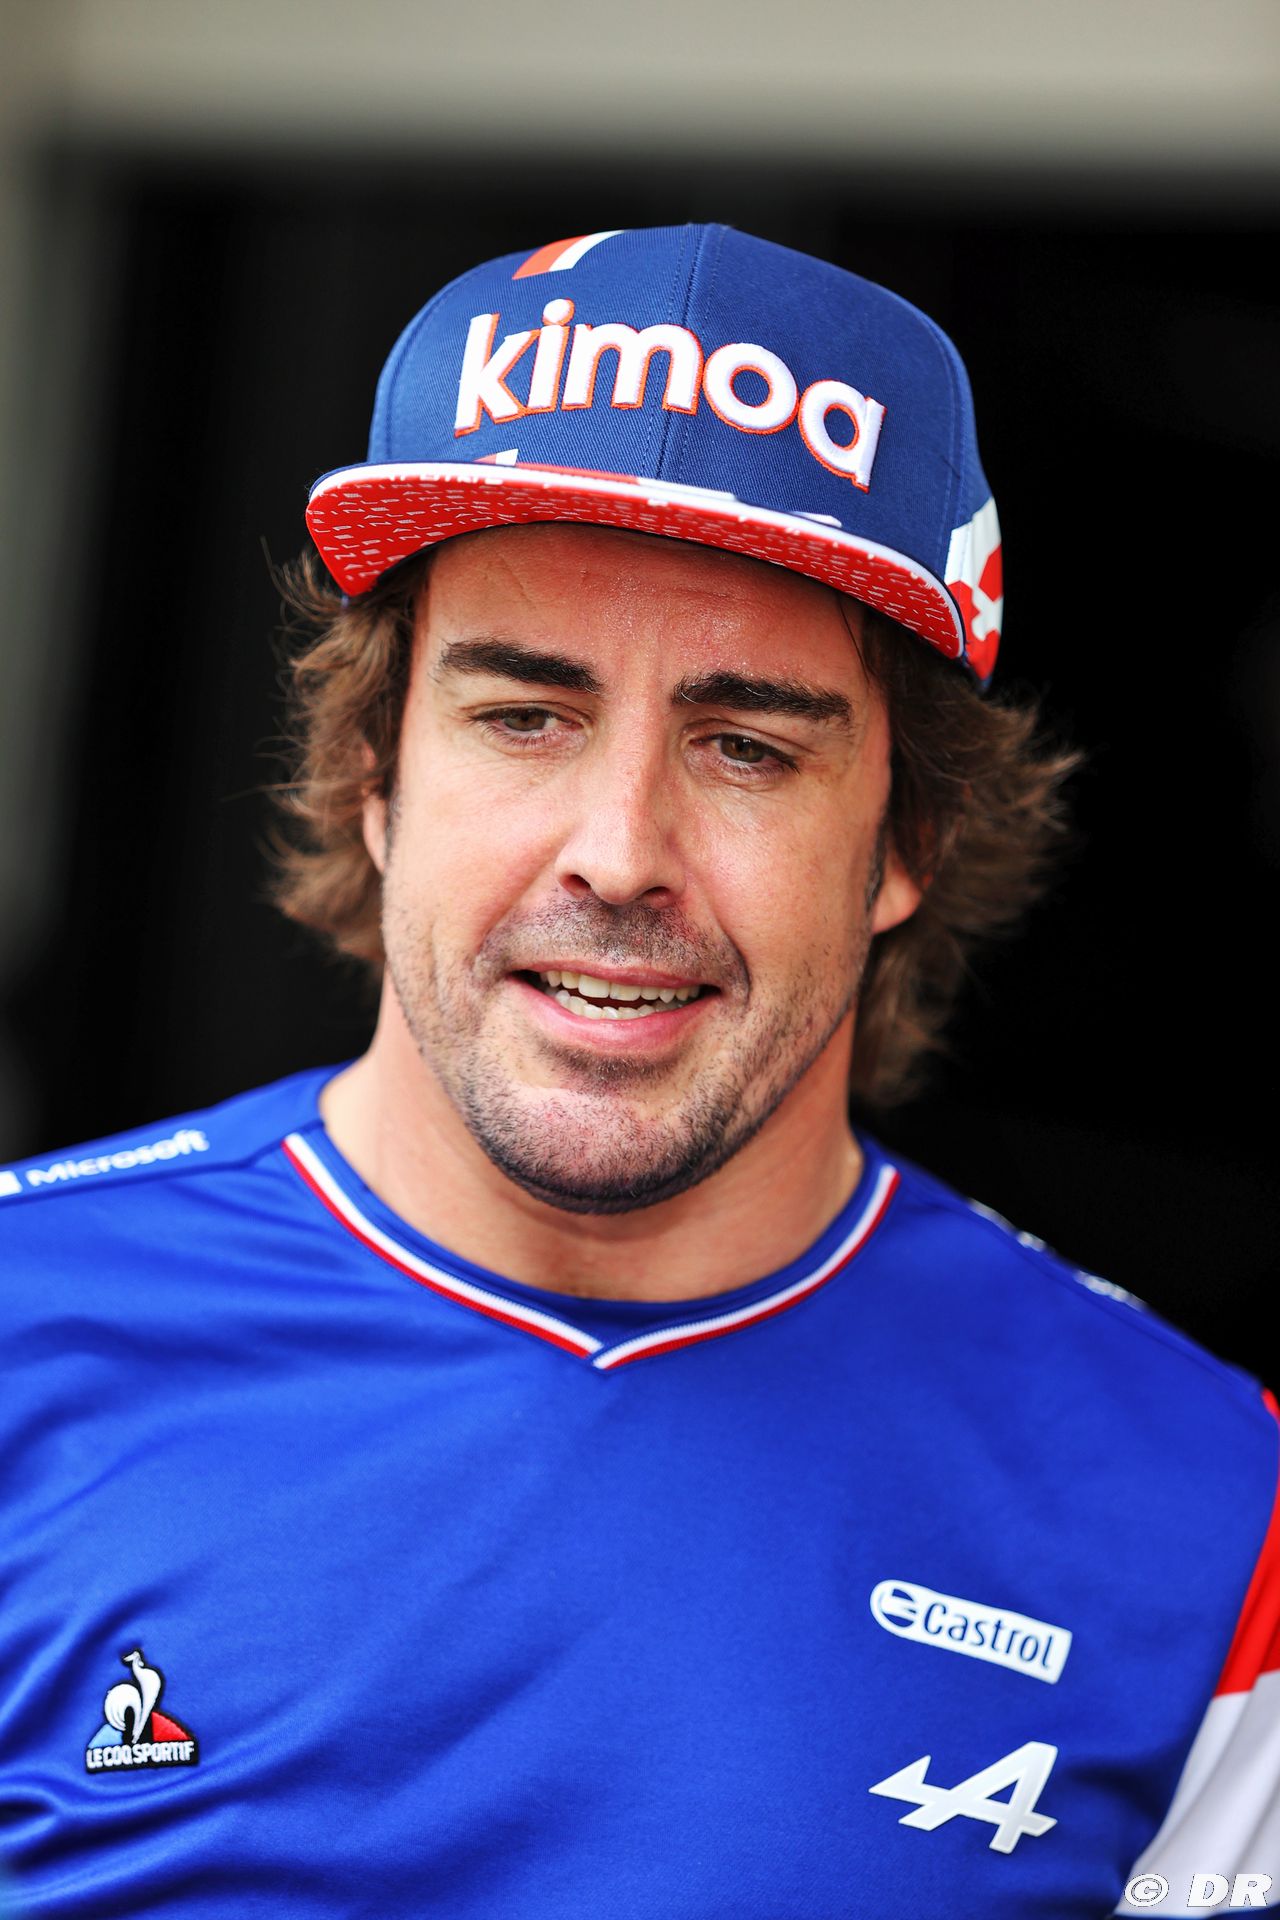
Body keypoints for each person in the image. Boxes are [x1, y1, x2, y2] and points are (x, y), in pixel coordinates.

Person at [1, 224, 1276, 1920]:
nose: (619, 851)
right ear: (376, 774)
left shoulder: (1210, 1511)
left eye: (745, 746)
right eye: (525, 716)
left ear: (907, 838)